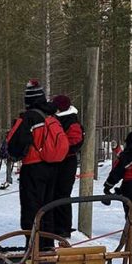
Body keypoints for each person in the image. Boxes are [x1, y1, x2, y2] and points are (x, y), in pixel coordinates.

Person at [5, 82, 69, 246]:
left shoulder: (29, 118)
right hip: (53, 167)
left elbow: (14, 145)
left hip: (33, 167)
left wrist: (14, 154)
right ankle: (47, 245)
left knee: (31, 208)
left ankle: (34, 246)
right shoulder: (51, 116)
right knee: (48, 208)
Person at [51, 95, 84, 238]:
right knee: (54, 194)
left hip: (66, 163)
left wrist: (58, 149)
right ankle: (55, 225)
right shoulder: (58, 120)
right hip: (57, 162)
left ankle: (63, 227)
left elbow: (75, 143)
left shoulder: (71, 122)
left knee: (62, 195)